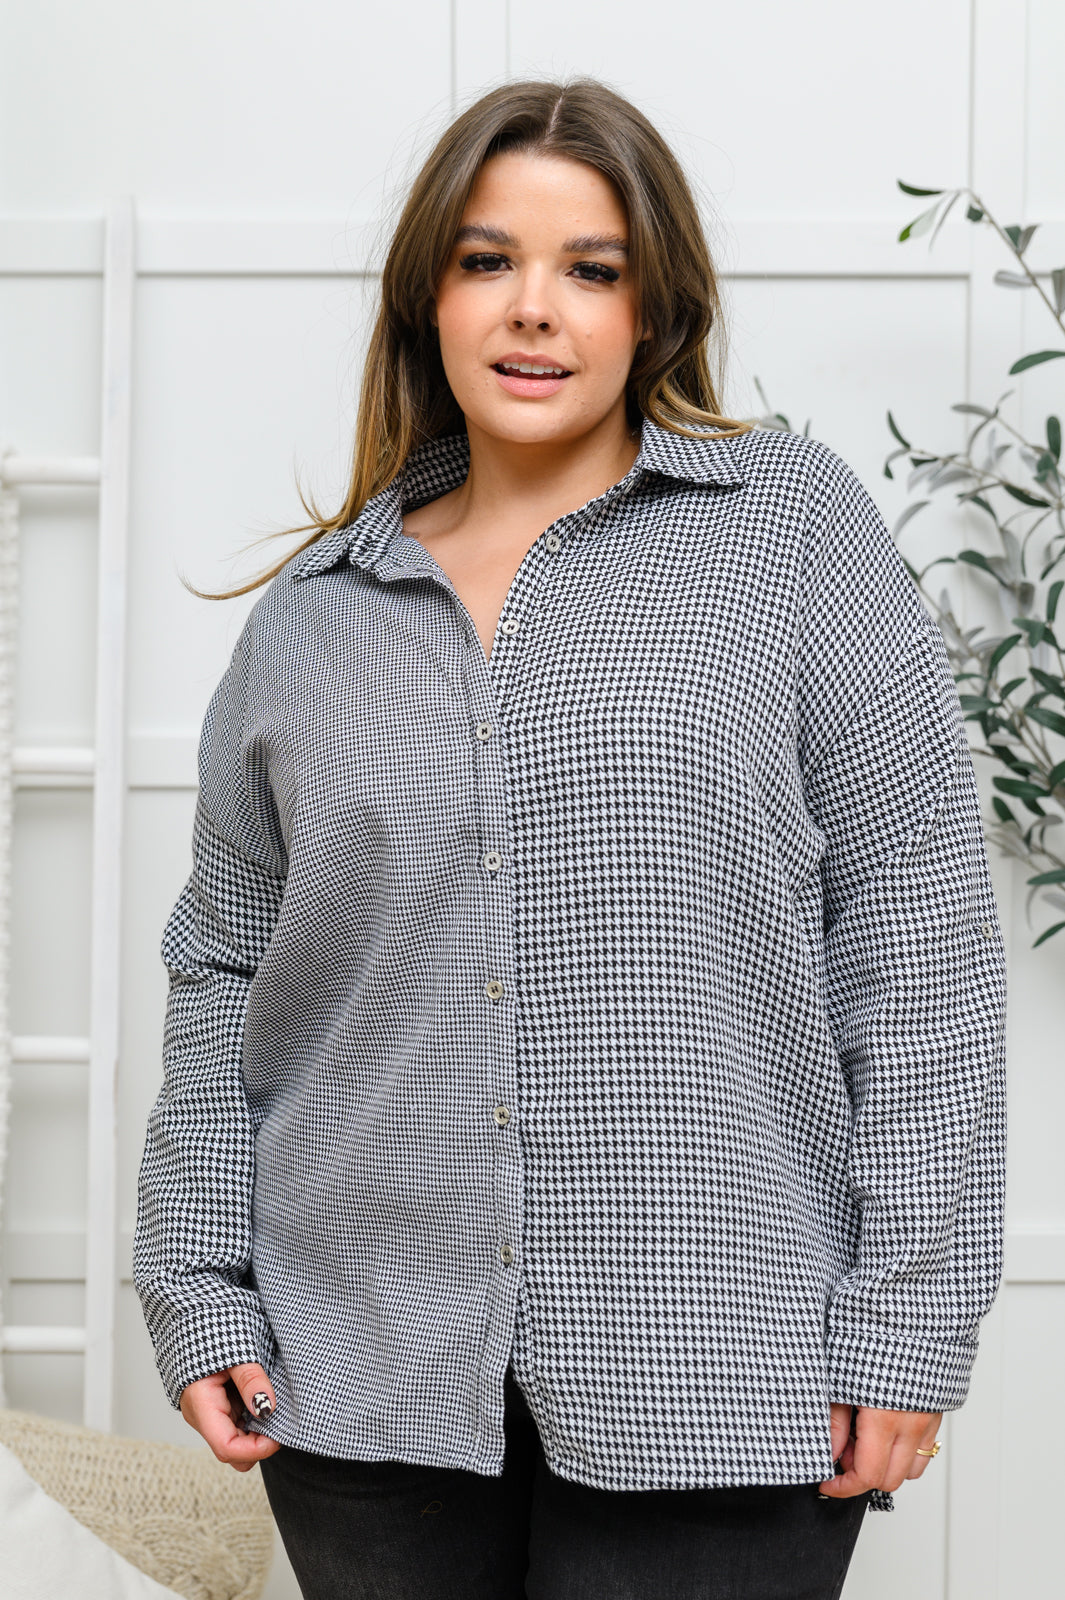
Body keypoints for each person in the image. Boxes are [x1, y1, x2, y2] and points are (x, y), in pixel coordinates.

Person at [133, 76, 1008, 1600]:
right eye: (487, 261)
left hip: (724, 1370)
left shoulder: (791, 531)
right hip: (356, 1376)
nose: (532, 308)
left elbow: (915, 928)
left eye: (589, 269)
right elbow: (222, 969)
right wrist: (197, 1282)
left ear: (651, 307)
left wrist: (909, 1319)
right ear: (428, 295)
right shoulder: (310, 622)